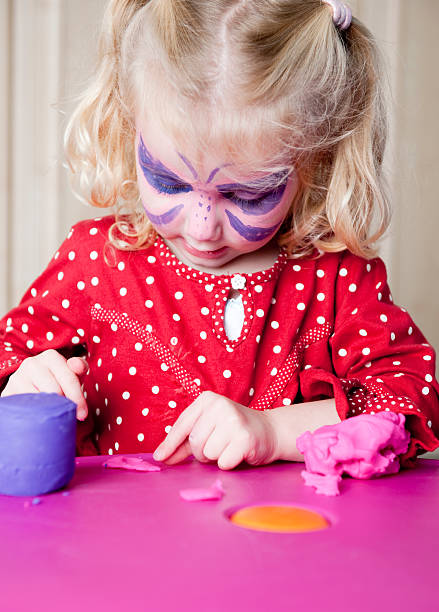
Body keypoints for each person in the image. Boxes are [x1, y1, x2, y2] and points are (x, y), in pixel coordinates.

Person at [1, 0, 438, 470]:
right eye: (169, 181)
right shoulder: (94, 262)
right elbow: (9, 359)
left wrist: (273, 432)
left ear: (314, 164)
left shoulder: (335, 279)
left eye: (247, 195)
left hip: (287, 541)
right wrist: (20, 387)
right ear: (127, 126)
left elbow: (411, 403)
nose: (201, 226)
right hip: (116, 542)